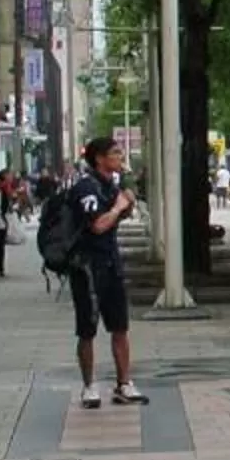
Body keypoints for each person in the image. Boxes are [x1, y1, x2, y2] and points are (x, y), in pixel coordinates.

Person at [68, 135, 142, 409]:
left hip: (111, 263)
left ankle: (124, 382)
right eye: (115, 153)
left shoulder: (111, 186)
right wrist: (120, 206)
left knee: (120, 325)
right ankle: (89, 385)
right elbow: (98, 225)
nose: (120, 157)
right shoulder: (86, 188)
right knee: (87, 328)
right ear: (99, 158)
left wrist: (126, 200)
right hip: (87, 266)